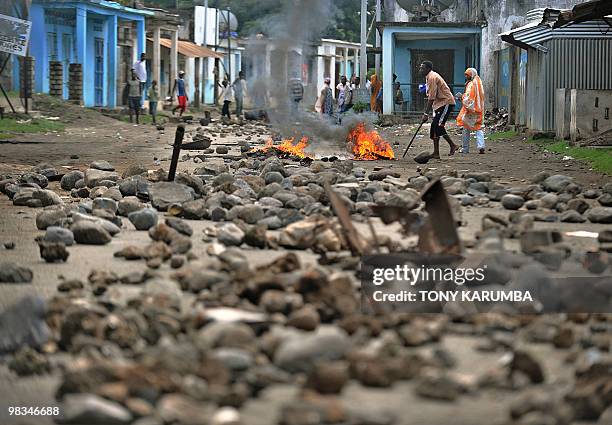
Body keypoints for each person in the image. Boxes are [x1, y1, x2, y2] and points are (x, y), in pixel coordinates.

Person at [420, 61, 459, 159]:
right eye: (420, 68)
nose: (420, 70)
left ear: (428, 69)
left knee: (438, 126)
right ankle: (436, 153)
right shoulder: (428, 77)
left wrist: (425, 113)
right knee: (434, 127)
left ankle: (453, 145)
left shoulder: (432, 77)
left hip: (446, 102)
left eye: (422, 68)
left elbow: (431, 97)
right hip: (439, 104)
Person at [456, 68, 486, 154]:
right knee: (479, 127)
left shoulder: (471, 84)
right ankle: (481, 146)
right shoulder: (479, 82)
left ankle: (465, 148)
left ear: (471, 75)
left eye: (467, 75)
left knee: (466, 128)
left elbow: (469, 97)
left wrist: (461, 97)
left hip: (471, 110)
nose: (466, 77)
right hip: (479, 109)